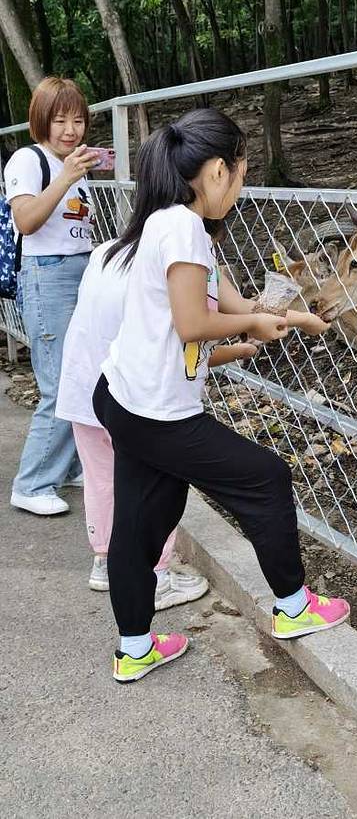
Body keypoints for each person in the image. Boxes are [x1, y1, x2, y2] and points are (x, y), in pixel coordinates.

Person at [92, 107, 350, 682]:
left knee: (142, 518)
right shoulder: (182, 228)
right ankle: (293, 606)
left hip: (123, 396)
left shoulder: (169, 222)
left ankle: (134, 648)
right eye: (241, 173)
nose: (240, 186)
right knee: (265, 478)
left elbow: (224, 299)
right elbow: (191, 323)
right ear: (215, 172)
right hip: (158, 411)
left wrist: (287, 317)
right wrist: (250, 328)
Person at [55, 231, 255, 608]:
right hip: (135, 398)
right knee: (155, 486)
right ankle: (157, 576)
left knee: (102, 480)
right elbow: (180, 341)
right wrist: (237, 347)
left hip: (85, 388)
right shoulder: (177, 261)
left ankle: (104, 561)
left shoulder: (106, 251)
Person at [4, 77, 100, 516]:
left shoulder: (71, 165)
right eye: (60, 119)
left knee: (83, 373)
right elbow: (26, 220)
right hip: (47, 277)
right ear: (40, 119)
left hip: (78, 274)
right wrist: (65, 176)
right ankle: (33, 483)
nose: (70, 129)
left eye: (78, 120)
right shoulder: (29, 159)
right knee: (60, 383)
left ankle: (67, 465)